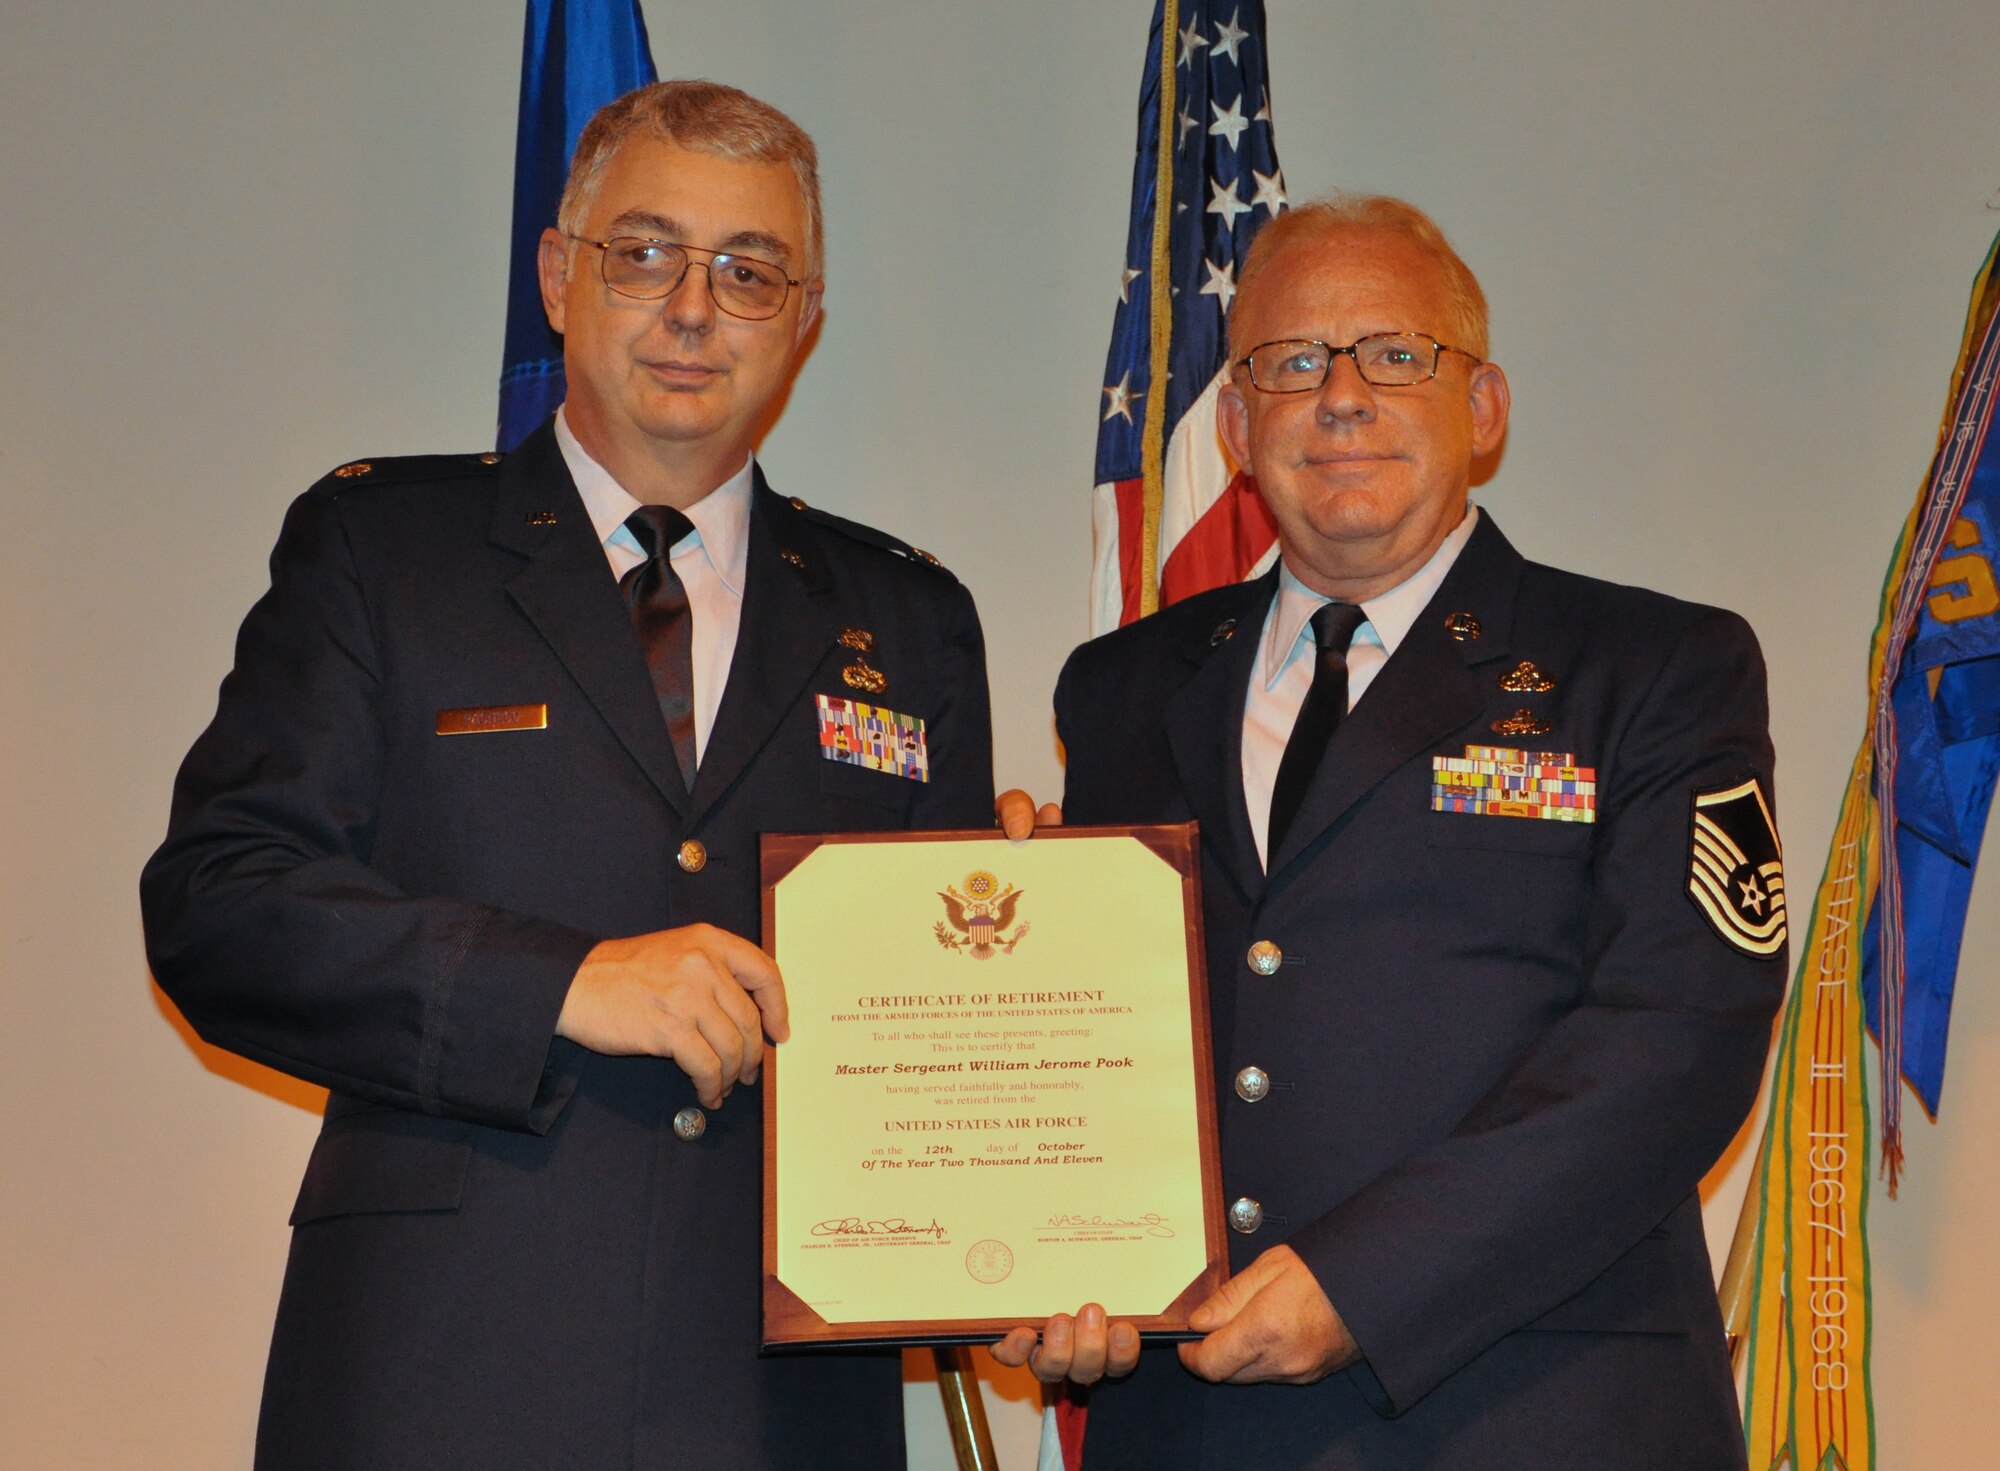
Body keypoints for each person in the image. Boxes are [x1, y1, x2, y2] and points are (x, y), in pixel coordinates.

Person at [142, 80, 995, 1470]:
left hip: (778, 1403)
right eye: (646, 252)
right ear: (558, 275)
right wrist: (560, 981)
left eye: (750, 269)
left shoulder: (908, 620)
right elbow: (221, 904)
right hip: (442, 1368)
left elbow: (940, 1055)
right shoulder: (383, 551)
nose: (694, 308)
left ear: (805, 318)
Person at [993, 195, 1784, 1469]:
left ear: (1483, 407)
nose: (1340, 396)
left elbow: (1675, 1039)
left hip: (1531, 1417)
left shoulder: (1650, 666)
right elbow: (1105, 1041)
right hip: (1192, 1425)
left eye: (1394, 354)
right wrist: (1036, 1243)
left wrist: (1363, 1284)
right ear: (1239, 426)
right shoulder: (1122, 688)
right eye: (1290, 363)